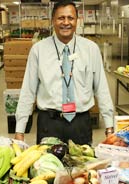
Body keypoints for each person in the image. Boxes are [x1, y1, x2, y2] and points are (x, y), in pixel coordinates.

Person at [15, 0, 114, 145]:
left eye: (70, 18)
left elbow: (101, 88)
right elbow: (28, 91)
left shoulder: (90, 49)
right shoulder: (38, 50)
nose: (66, 22)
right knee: (48, 167)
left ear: (77, 21)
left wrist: (109, 127)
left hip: (81, 124)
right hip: (49, 123)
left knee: (82, 167)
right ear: (53, 21)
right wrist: (19, 131)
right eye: (61, 18)